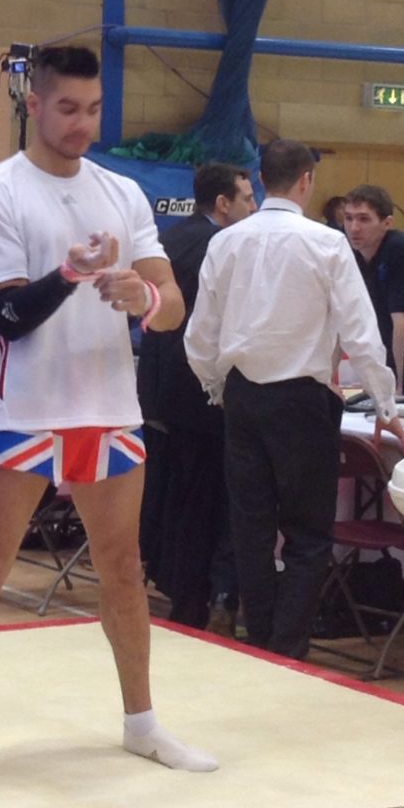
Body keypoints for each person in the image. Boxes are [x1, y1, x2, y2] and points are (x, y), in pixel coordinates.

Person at [0, 45, 218, 791]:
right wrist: (73, 273)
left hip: (109, 408)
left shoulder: (122, 192)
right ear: (36, 105)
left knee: (122, 569)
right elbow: (11, 317)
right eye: (67, 109)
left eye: (92, 110)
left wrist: (144, 301)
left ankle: (141, 720)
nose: (82, 124)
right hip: (24, 408)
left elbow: (172, 303)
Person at [185, 139, 404, 661]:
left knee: (251, 527)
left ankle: (261, 637)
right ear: (307, 181)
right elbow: (362, 335)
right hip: (302, 402)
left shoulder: (226, 242)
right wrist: (386, 407)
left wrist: (218, 388)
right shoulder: (328, 245)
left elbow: (200, 336)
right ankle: (288, 646)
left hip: (243, 398)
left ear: (262, 180)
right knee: (308, 532)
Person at [137, 162, 256, 633]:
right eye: (247, 198)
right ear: (223, 203)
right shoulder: (220, 245)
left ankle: (180, 591)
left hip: (160, 389)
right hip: (199, 392)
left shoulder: (172, 238)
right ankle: (201, 596)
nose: (255, 207)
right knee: (206, 500)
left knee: (174, 496)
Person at [344, 183, 404, 381]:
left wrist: (401, 384)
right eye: (349, 218)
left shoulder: (401, 249)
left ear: (387, 223)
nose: (354, 228)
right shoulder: (348, 252)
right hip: (382, 355)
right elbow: (340, 315)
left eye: (364, 219)